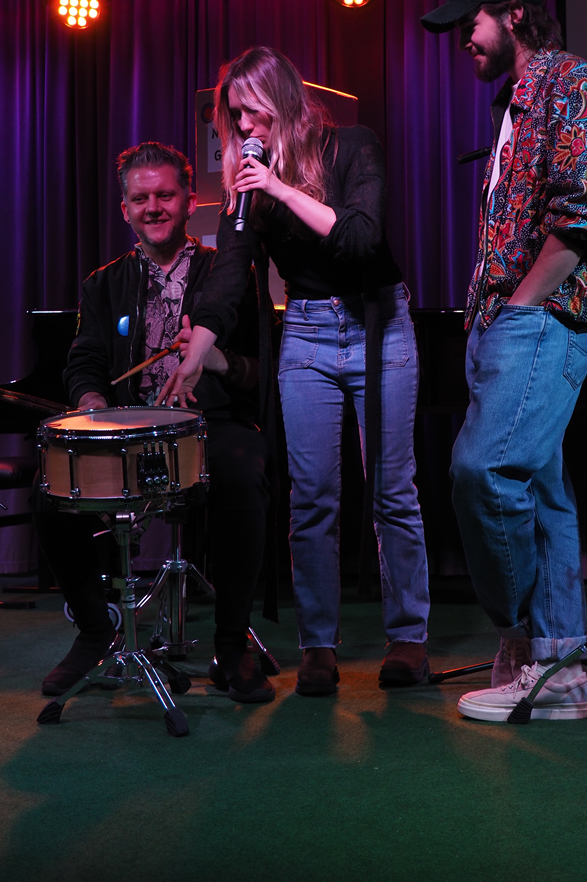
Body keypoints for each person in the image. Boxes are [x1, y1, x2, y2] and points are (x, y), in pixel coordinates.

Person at [158, 47, 431, 695]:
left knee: (392, 491)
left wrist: (278, 186)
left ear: (283, 101)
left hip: (378, 324)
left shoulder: (353, 146)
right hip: (307, 332)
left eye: (253, 112)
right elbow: (229, 276)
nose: (245, 126)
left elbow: (360, 238)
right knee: (311, 498)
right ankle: (318, 646)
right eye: (235, 116)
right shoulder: (245, 192)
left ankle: (408, 638)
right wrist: (197, 347)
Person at [421, 0, 587, 721]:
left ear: (513, 13)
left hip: (545, 313)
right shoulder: (512, 103)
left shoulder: (570, 81)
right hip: (508, 318)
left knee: (482, 470)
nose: (462, 39)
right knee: (542, 490)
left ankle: (521, 637)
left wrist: (518, 306)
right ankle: (559, 670)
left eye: (470, 22)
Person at [35, 142, 273, 704]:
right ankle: (95, 631)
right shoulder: (103, 283)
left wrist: (219, 361)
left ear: (190, 201)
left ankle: (231, 645)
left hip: (210, 427)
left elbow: (262, 371)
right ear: (125, 209)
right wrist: (94, 404)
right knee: (49, 489)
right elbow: (84, 363)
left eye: (165, 195)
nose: (154, 208)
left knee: (243, 474)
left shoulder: (230, 274)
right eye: (141, 199)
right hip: (127, 434)